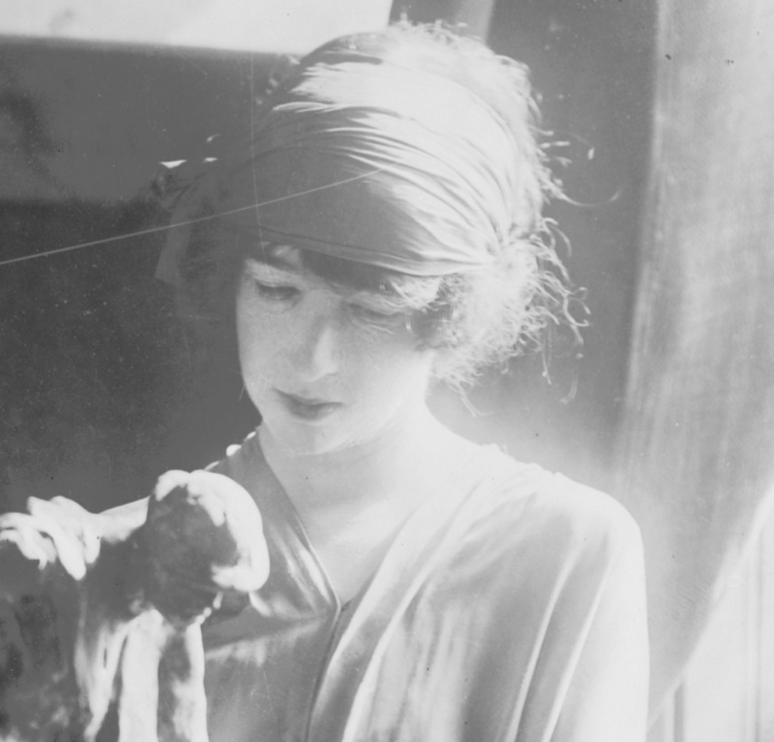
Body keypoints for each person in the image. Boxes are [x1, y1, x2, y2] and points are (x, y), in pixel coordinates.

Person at [1, 20, 648, 742]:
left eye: (370, 311)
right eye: (278, 290)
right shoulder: (116, 571)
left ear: (449, 315)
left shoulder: (565, 555)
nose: (312, 358)